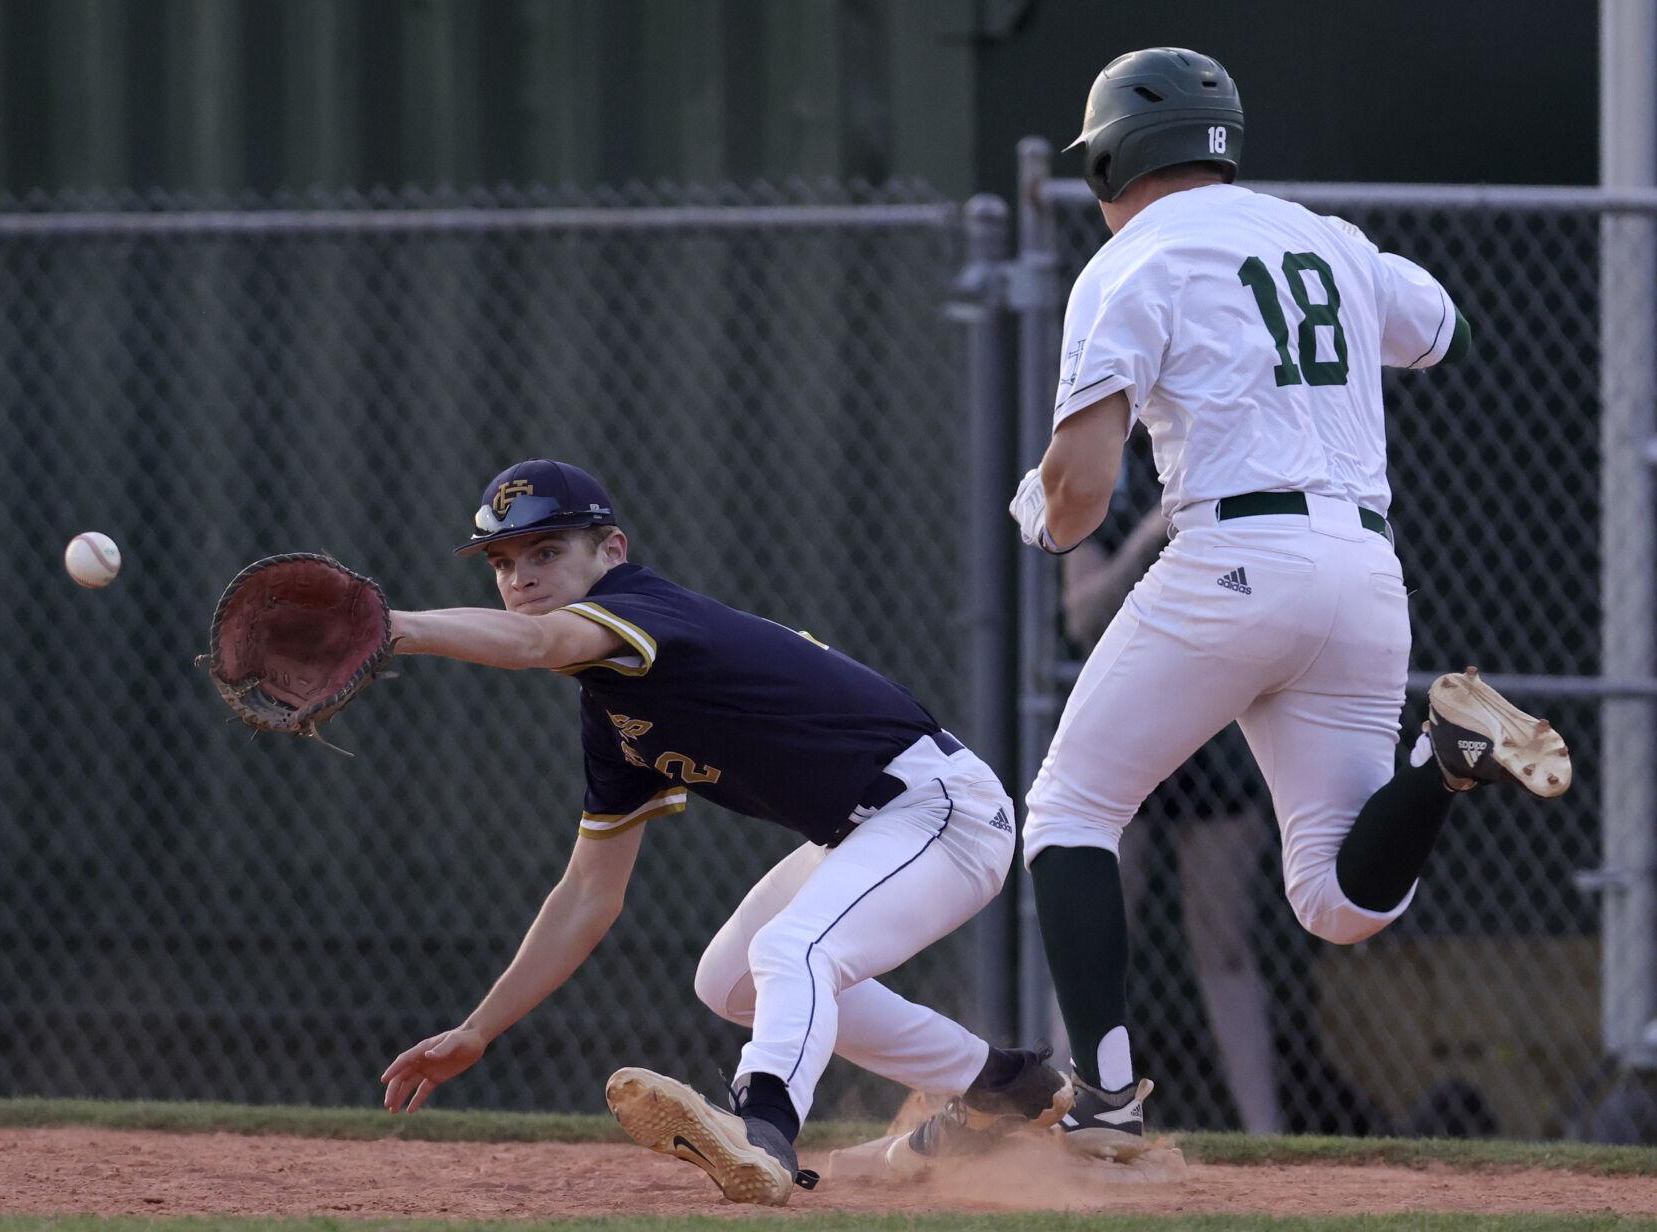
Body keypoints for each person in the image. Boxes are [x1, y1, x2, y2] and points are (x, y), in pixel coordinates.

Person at [1007, 46, 1572, 1159]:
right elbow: (1441, 328)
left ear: (1112, 156)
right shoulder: (1327, 236)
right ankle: (1441, 760)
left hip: (1232, 552)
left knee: (1070, 811)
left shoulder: (1130, 260)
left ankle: (1109, 1100)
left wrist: (1038, 511)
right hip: (1364, 571)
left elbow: (1078, 498)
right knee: (1343, 905)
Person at [377, 458, 1070, 1206]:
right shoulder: (613, 717)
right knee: (731, 980)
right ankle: (1005, 1086)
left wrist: (392, 629)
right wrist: (480, 1029)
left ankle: (763, 1129)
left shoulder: (644, 609)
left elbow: (534, 643)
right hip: (872, 825)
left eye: (547, 552)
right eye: (503, 562)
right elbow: (586, 894)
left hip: (940, 808)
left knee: (792, 948)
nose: (522, 578)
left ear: (610, 550)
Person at [1063, 493, 1284, 1136]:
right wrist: (1149, 539)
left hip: (1218, 738)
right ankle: (1079, 1107)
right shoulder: (1109, 477)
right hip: (1130, 723)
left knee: (1224, 943)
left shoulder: (1247, 469)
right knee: (1095, 934)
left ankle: (1268, 1135)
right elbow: (1081, 615)